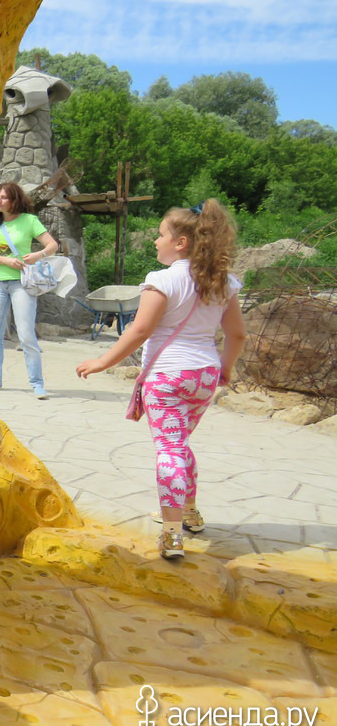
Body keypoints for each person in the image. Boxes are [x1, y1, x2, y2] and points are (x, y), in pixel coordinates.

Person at [76, 200, 246, 560]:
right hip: (204, 374)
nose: (156, 241)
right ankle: (190, 512)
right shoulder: (222, 282)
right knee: (180, 444)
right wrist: (226, 368)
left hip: (167, 376)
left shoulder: (162, 280)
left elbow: (139, 330)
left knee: (169, 449)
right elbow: (237, 334)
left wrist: (102, 362)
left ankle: (172, 535)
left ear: (180, 243)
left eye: (160, 235)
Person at [0, 182, 59, 398]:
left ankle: (37, 383)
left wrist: (38, 255)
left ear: (14, 200)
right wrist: (5, 261)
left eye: (4, 197)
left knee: (26, 335)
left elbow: (52, 245)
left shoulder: (29, 221)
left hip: (22, 284)